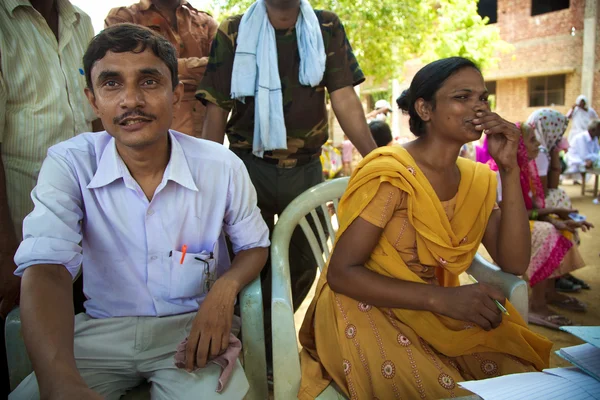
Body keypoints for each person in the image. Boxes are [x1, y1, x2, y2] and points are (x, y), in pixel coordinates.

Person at [9, 24, 269, 400]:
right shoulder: (70, 164)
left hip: (190, 333)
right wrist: (59, 382)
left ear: (176, 94)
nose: (131, 100)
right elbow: (46, 268)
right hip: (98, 335)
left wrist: (223, 291)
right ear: (93, 100)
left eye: (148, 82)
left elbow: (254, 247)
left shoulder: (221, 166)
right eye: (112, 84)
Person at [298, 57, 552, 399]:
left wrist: (509, 168)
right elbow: (342, 274)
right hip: (361, 303)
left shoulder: (477, 179)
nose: (478, 107)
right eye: (462, 97)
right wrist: (441, 299)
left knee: (519, 378)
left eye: (483, 98)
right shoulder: (393, 173)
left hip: (433, 307)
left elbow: (514, 263)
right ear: (425, 109)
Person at [196, 0, 377, 314]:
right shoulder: (234, 30)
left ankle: (266, 343)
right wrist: (203, 179)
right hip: (247, 169)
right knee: (243, 260)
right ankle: (252, 344)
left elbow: (344, 97)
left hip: (306, 170)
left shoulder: (325, 27)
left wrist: (379, 161)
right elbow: (216, 109)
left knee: (307, 260)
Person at [0, 0, 101, 394]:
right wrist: (6, 248)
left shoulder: (81, 21)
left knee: (72, 335)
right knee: (21, 339)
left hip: (82, 214)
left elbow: (97, 114)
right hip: (19, 218)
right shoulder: (7, 25)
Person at [490, 122, 591, 329]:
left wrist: (558, 219)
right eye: (533, 140)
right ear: (517, 145)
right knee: (546, 233)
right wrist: (550, 216)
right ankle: (537, 304)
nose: (539, 145)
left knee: (561, 229)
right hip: (504, 227)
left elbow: (534, 209)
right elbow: (509, 214)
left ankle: (549, 292)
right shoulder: (501, 174)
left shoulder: (527, 168)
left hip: (523, 221)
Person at [105, 0, 218, 137]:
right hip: (148, 125)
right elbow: (126, 67)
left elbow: (222, 68)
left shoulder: (205, 21)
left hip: (204, 126)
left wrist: (161, 71)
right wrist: (200, 69)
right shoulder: (123, 18)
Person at [527, 108, 593, 292]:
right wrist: (555, 153)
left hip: (533, 207)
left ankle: (561, 270)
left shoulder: (540, 151)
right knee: (559, 200)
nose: (559, 136)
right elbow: (548, 188)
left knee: (560, 204)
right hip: (533, 207)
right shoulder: (538, 153)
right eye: (557, 132)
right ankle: (557, 275)